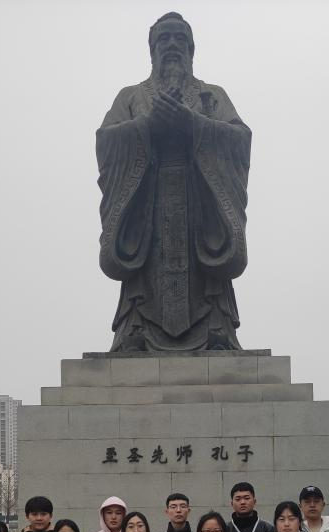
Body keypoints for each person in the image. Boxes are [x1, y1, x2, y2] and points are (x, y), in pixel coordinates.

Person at [97, 12, 252, 353]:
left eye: (179, 39)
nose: (171, 45)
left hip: (200, 206)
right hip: (148, 206)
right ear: (151, 49)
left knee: (207, 272)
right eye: (163, 39)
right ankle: (135, 327)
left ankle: (216, 327)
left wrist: (193, 123)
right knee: (144, 277)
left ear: (191, 49)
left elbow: (240, 139)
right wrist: (147, 125)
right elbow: (106, 142)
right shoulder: (131, 97)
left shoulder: (212, 95)